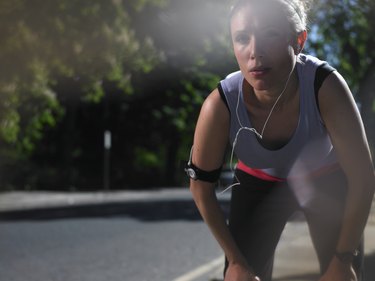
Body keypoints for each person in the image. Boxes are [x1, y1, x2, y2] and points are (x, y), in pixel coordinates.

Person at [185, 0, 375, 281]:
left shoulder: (326, 87)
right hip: (258, 183)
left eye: (270, 34)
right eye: (242, 38)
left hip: (325, 180)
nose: (255, 52)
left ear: (298, 40)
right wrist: (236, 262)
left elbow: (363, 178)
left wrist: (343, 259)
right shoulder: (220, 105)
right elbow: (200, 188)